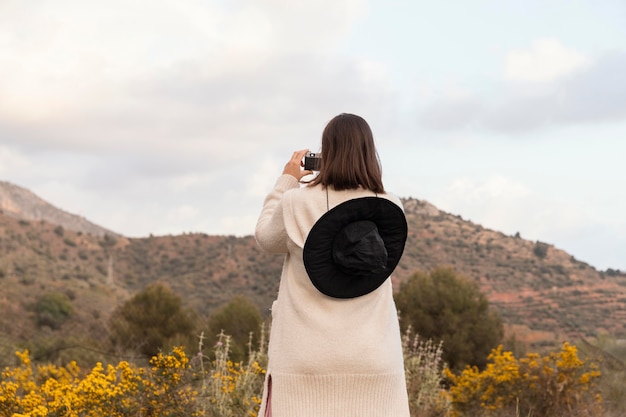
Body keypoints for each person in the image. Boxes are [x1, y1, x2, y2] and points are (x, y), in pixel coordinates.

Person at [255, 113, 410, 417]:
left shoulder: (295, 203)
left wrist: (287, 180)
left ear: (327, 154)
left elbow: (265, 239)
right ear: (369, 154)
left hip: (305, 359)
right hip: (374, 359)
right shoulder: (390, 207)